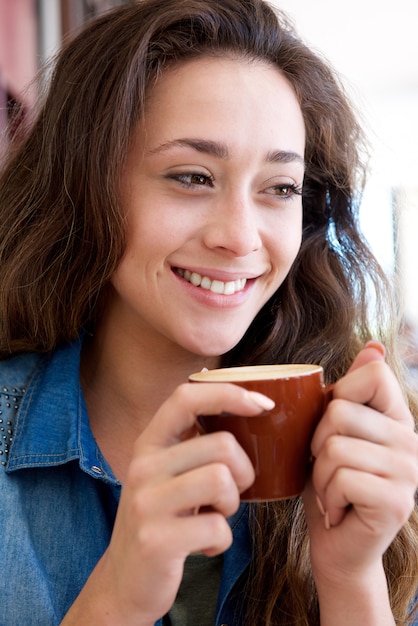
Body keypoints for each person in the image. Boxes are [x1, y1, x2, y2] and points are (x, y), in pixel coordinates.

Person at [0, 0, 417, 624]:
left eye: (279, 188)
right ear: (85, 187)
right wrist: (116, 599)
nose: (242, 238)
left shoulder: (378, 460)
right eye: (193, 177)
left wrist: (350, 577)